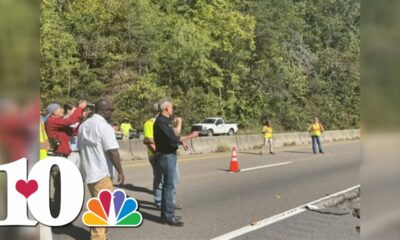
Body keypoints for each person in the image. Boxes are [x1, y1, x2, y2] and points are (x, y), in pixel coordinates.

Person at [78, 99, 125, 240]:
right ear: (104, 110)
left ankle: (101, 235)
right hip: (102, 173)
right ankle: (98, 237)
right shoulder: (104, 127)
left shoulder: (83, 125)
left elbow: (80, 148)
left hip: (89, 172)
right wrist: (120, 171)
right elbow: (113, 152)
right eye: (111, 110)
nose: (111, 113)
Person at [154, 100, 198, 226]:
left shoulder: (165, 122)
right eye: (171, 107)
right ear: (167, 108)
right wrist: (190, 136)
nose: (172, 109)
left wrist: (181, 142)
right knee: (169, 186)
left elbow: (170, 138)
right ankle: (169, 217)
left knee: (167, 186)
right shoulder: (161, 122)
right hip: (166, 156)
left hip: (167, 155)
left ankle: (165, 216)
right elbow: (172, 138)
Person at [45, 101, 87, 215]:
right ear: (54, 112)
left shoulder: (58, 123)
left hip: (62, 157)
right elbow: (70, 121)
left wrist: (80, 116)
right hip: (58, 157)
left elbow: (72, 129)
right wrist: (79, 108)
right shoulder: (52, 121)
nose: (62, 110)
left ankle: (59, 211)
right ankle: (58, 213)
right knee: (60, 187)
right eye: (60, 109)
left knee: (62, 186)